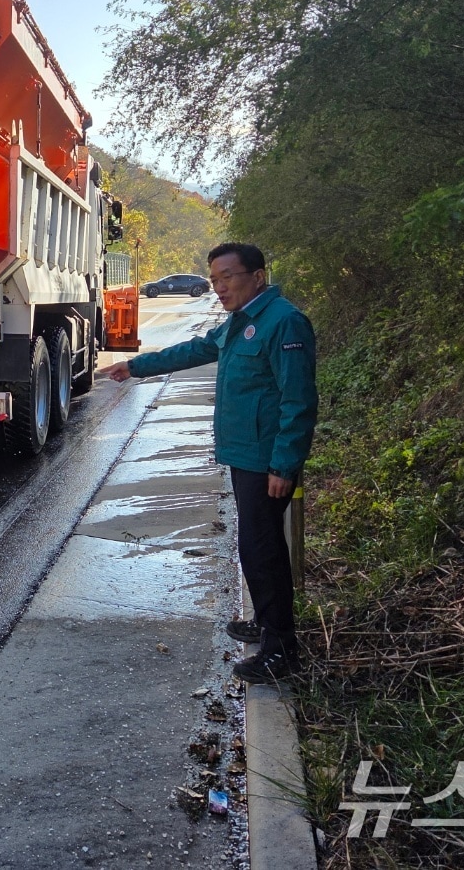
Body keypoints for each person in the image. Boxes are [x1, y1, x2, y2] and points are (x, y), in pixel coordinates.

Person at [98, 243, 317, 683]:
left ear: (258, 277)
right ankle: (266, 623)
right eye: (215, 279)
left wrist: (283, 465)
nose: (219, 287)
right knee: (254, 545)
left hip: (265, 458)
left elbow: (298, 400)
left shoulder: (284, 321)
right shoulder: (241, 321)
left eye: (227, 277)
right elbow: (194, 350)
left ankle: (281, 650)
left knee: (263, 550)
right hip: (244, 453)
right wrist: (136, 366)